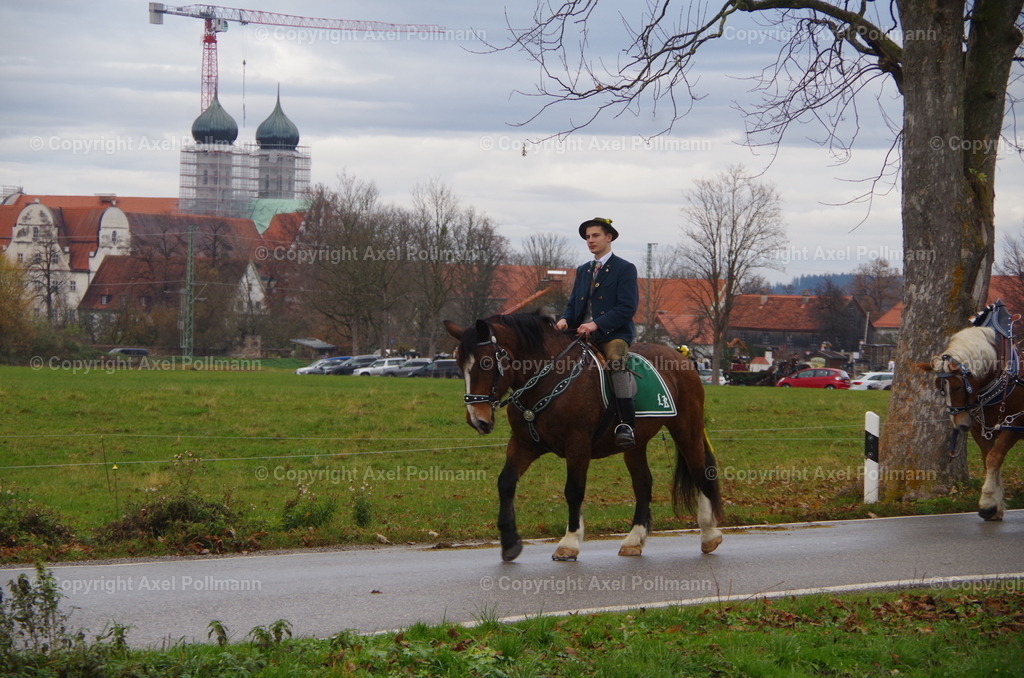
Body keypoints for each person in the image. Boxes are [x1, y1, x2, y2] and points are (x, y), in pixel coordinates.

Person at [555, 217, 640, 447]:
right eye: (587, 237)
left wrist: (597, 324)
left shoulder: (625, 268)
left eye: (595, 236)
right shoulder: (584, 270)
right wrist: (564, 320)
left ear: (609, 237)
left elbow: (627, 307)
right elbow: (574, 305)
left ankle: (625, 424)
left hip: (613, 335)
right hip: (580, 334)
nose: (590, 240)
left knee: (615, 362)